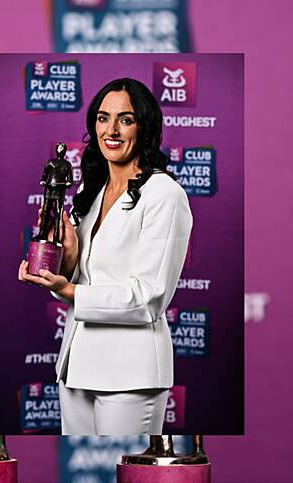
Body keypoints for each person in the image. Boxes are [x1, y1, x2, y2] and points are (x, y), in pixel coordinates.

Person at [18, 78, 193, 435]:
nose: (111, 130)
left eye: (125, 120)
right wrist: (65, 261)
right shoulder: (91, 190)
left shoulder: (164, 194)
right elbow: (84, 279)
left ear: (145, 127)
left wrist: (70, 292)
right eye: (102, 118)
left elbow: (148, 298)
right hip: (76, 367)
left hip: (131, 374)